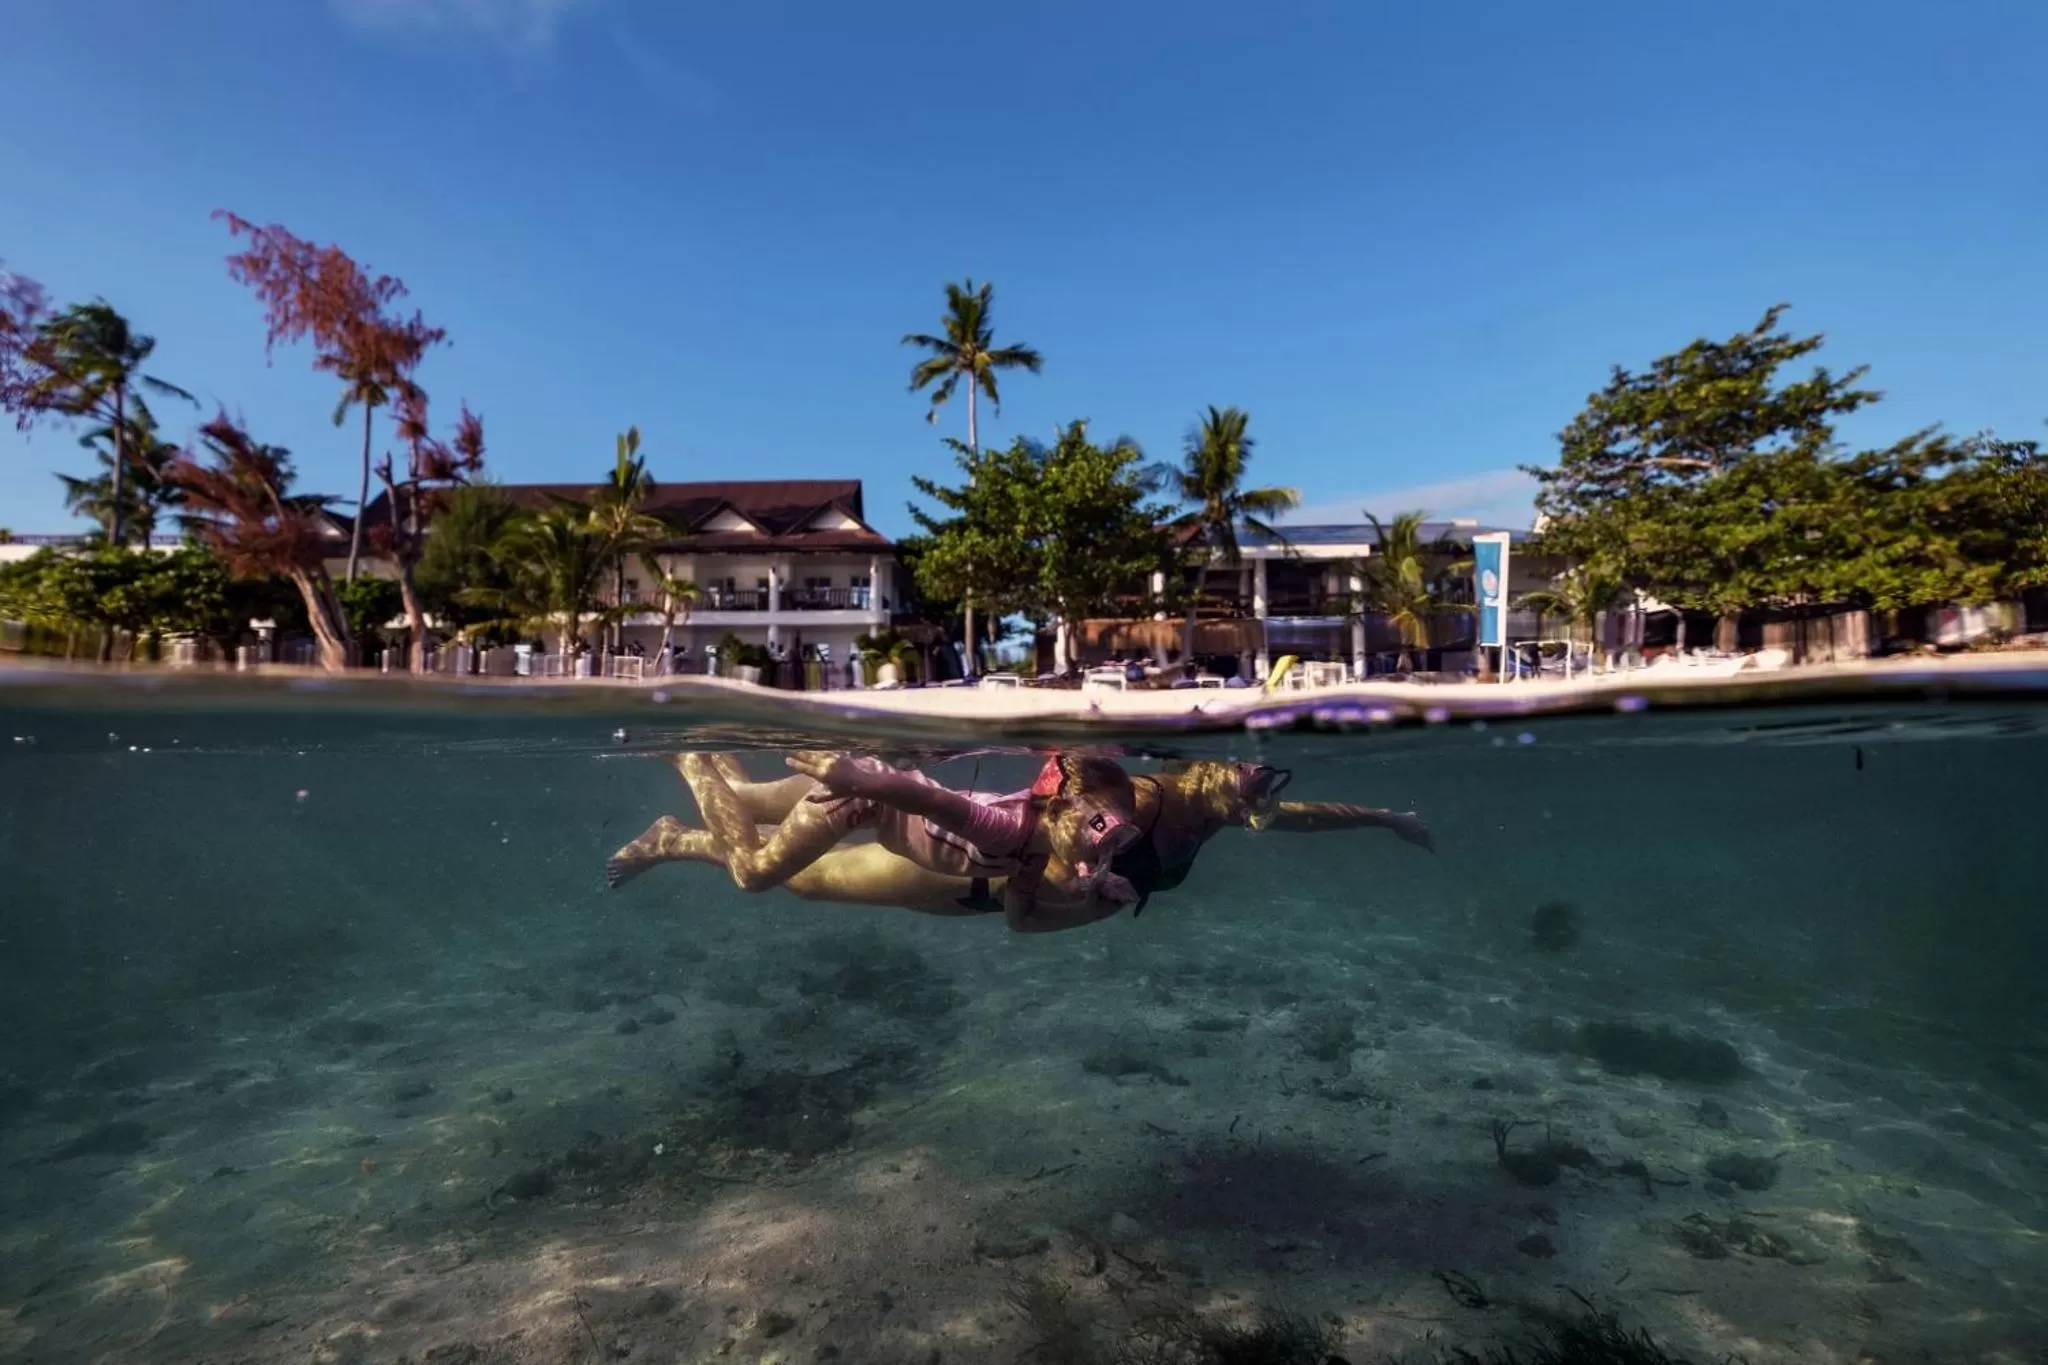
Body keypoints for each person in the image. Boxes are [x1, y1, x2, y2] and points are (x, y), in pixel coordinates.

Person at [607, 751, 1431, 932]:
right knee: (787, 859)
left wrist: (1388, 817)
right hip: (969, 874)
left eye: (1259, 785)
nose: (1257, 786)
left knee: (801, 877)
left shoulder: (1217, 811)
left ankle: (682, 834)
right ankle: (703, 783)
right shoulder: (1136, 802)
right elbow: (1021, 865)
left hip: (970, 879)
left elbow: (1307, 813)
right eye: (1245, 775)